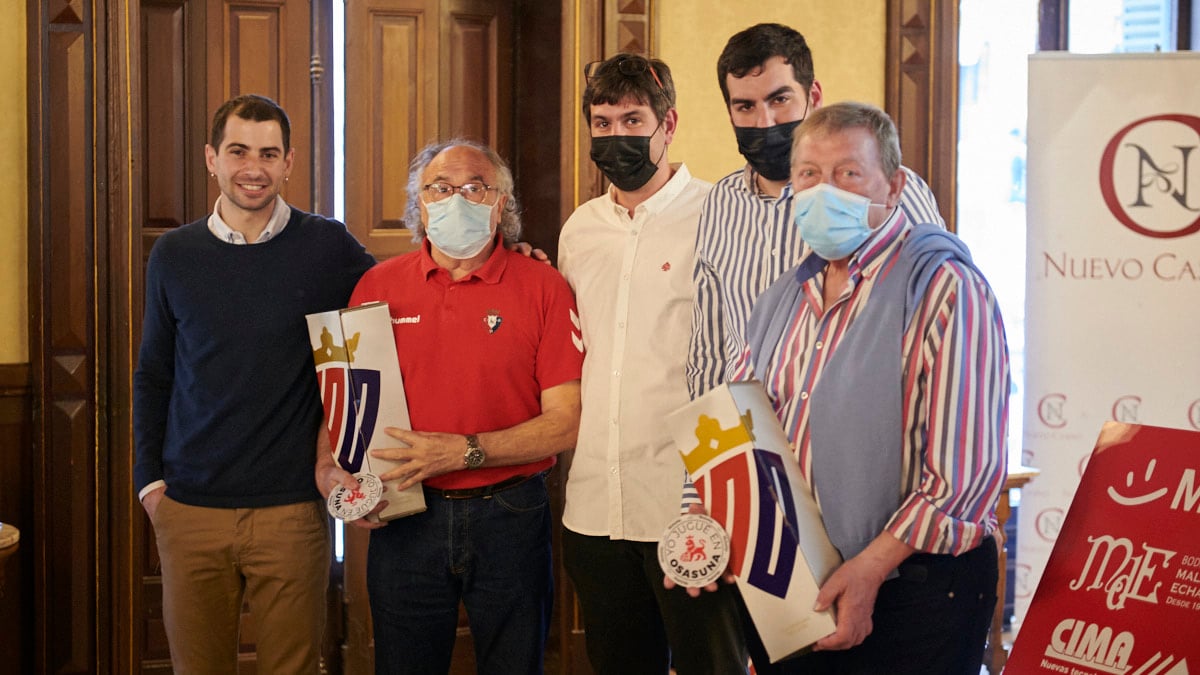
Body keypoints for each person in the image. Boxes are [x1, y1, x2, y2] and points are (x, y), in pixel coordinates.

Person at [733, 101, 1009, 674]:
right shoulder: (782, 298)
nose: (822, 190)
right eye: (808, 174)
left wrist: (870, 568)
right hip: (795, 586)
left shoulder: (946, 289)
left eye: (848, 174)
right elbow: (738, 426)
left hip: (916, 591)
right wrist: (710, 528)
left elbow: (965, 480)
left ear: (895, 184)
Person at [315, 138, 583, 674]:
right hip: (405, 515)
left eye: (474, 187)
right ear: (419, 202)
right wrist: (327, 468)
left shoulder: (546, 287)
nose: (456, 198)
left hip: (510, 514)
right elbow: (343, 400)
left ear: (500, 203)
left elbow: (566, 423)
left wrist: (463, 452)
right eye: (440, 188)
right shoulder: (375, 286)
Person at [133, 93, 375, 673]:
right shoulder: (173, 254)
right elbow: (154, 374)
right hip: (189, 507)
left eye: (269, 154)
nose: (253, 168)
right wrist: (150, 487)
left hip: (291, 510)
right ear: (211, 158)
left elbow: (410, 294)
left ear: (289, 163)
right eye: (239, 151)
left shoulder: (328, 247)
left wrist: (507, 254)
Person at [556, 53, 748, 675]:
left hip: (688, 501)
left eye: (633, 120)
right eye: (603, 123)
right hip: (595, 504)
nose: (617, 137)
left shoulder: (721, 214)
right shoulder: (579, 229)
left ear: (669, 125)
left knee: (709, 665)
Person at [686, 22, 946, 399]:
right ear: (729, 112)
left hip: (855, 432)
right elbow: (708, 351)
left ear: (814, 96)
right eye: (745, 106)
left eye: (780, 99)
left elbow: (939, 317)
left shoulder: (883, 190)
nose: (765, 122)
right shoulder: (719, 203)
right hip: (750, 439)